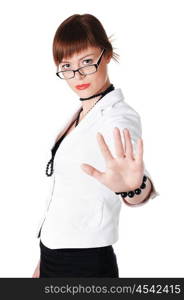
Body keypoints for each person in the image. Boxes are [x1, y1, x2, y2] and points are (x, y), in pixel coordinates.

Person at [32, 13, 159, 278]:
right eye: (66, 66)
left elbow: (134, 180)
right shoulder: (81, 114)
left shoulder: (117, 117)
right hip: (52, 256)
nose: (77, 75)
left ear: (107, 54)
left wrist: (134, 188)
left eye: (87, 62)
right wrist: (42, 263)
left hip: (85, 264)